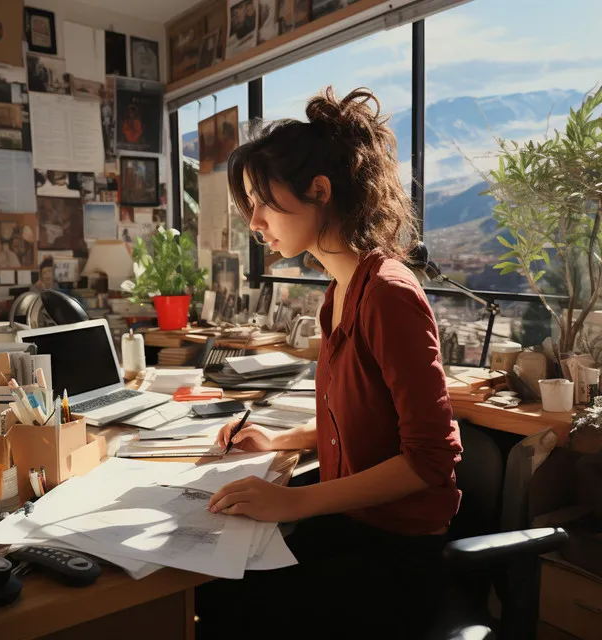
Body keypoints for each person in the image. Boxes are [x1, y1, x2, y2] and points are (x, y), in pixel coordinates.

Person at [194, 87, 463, 639]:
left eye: (263, 202)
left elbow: (429, 460)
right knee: (211, 585)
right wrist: (278, 442)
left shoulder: (387, 292)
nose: (255, 221)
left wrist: (293, 499)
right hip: (351, 527)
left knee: (228, 609)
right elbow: (358, 422)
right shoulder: (338, 292)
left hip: (397, 554)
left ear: (320, 190)